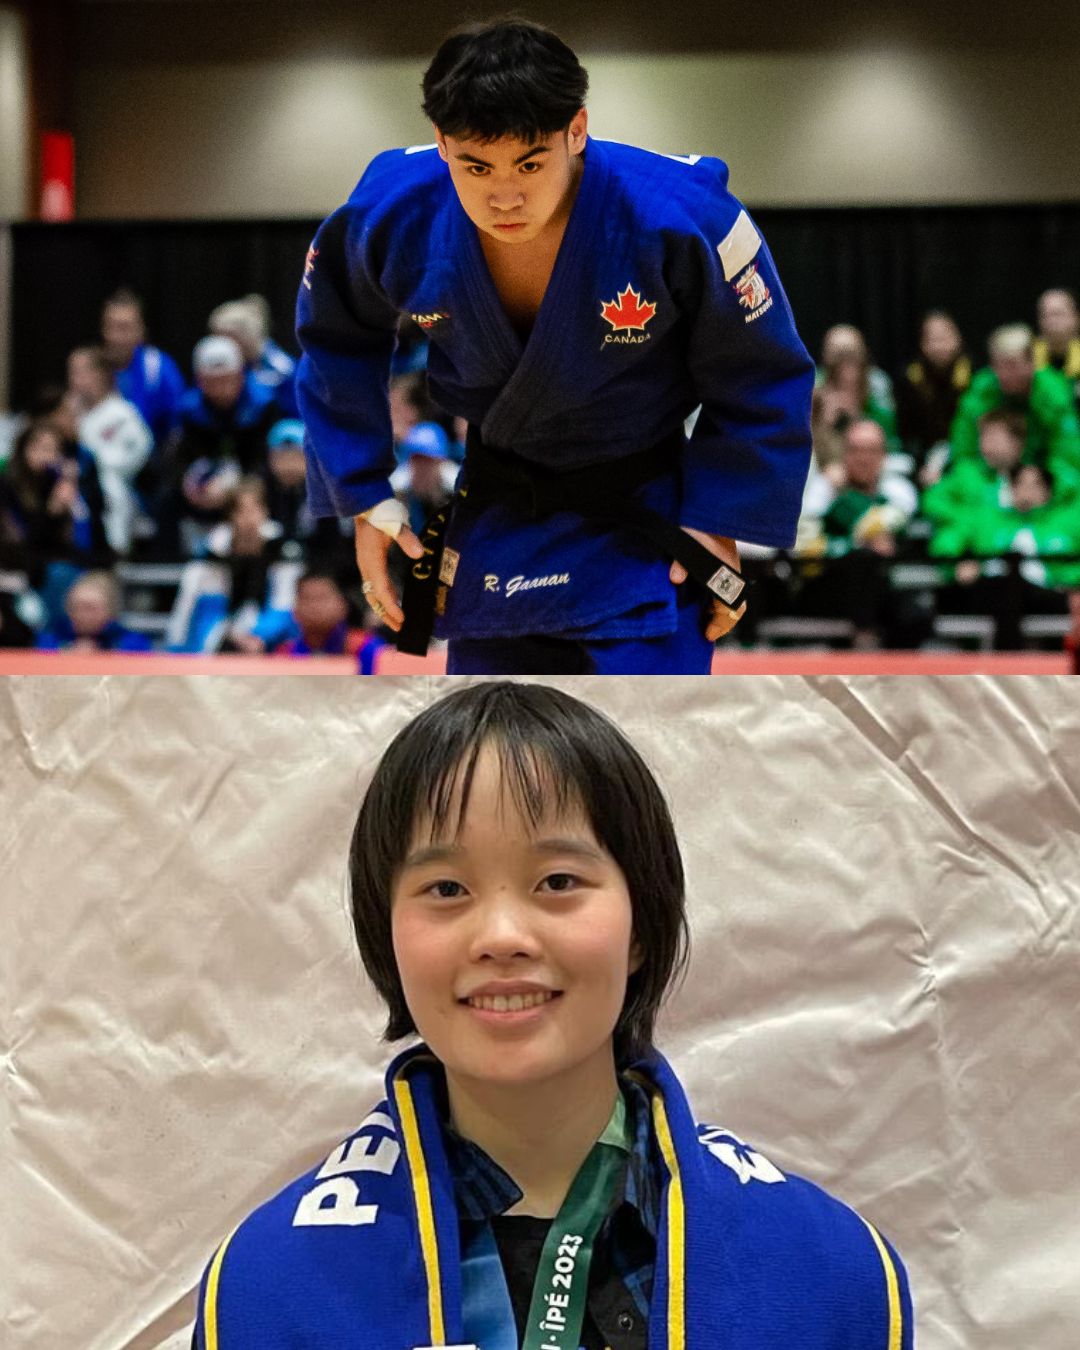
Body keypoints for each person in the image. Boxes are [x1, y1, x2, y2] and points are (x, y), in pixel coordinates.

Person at [191, 681, 912, 1349]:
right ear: (386, 932)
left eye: (558, 881)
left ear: (641, 926)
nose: (502, 935)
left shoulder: (831, 1276)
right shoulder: (266, 1293)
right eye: (445, 889)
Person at [295, 19, 814, 674]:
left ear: (577, 129)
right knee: (491, 755)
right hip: (495, 512)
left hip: (645, 518)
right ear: (441, 142)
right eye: (475, 166)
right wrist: (364, 493)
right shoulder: (391, 211)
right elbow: (333, 336)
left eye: (531, 163)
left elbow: (761, 373)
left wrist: (720, 517)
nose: (504, 194)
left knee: (648, 758)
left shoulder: (681, 214)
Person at [947, 324, 1080, 475]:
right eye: (999, 366)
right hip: (989, 479)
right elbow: (963, 453)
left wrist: (1042, 482)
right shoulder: (981, 392)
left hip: (1043, 477)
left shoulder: (1054, 394)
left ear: (1032, 363)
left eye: (1013, 365)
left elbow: (1069, 456)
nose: (1005, 374)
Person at [66, 346, 154, 557]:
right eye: (71, 372)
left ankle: (113, 554)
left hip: (112, 495)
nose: (74, 379)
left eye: (80, 372)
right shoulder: (68, 413)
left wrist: (91, 465)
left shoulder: (121, 414)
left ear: (100, 374)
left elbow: (138, 452)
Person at [100, 287, 188, 450]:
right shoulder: (94, 367)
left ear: (141, 330)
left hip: (150, 463)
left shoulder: (159, 368)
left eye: (124, 328)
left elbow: (176, 426)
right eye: (111, 327)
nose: (116, 337)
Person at [894, 310, 972, 476]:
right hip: (922, 456)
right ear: (923, 344)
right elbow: (906, 431)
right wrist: (920, 463)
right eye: (933, 340)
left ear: (958, 339)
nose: (939, 346)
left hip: (962, 451)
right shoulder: (911, 377)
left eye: (944, 338)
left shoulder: (973, 374)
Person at [209, 295, 299, 416]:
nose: (219, 346)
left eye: (224, 338)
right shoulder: (233, 366)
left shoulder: (281, 369)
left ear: (244, 337)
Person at [35, 570, 152, 652]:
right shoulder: (51, 638)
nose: (81, 615)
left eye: (89, 608)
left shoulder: (131, 642)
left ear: (110, 610)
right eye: (75, 607)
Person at [1032, 288, 1080, 399]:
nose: (1051, 321)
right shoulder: (1028, 358)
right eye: (1045, 315)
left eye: (1057, 314)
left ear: (1076, 318)